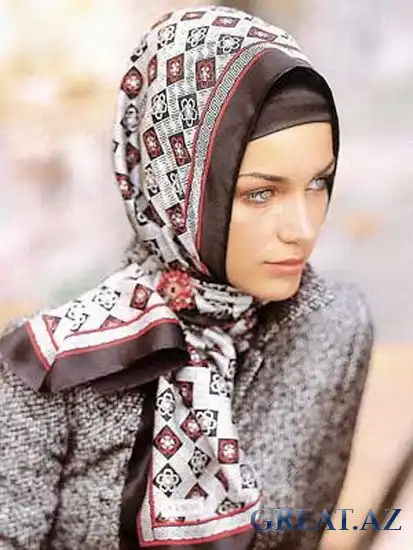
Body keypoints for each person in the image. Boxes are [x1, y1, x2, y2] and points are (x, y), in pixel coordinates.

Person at [0, 5, 374, 550]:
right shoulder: (44, 364)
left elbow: (301, 532)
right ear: (174, 190)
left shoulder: (331, 329)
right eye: (260, 193)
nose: (302, 229)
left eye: (318, 183)